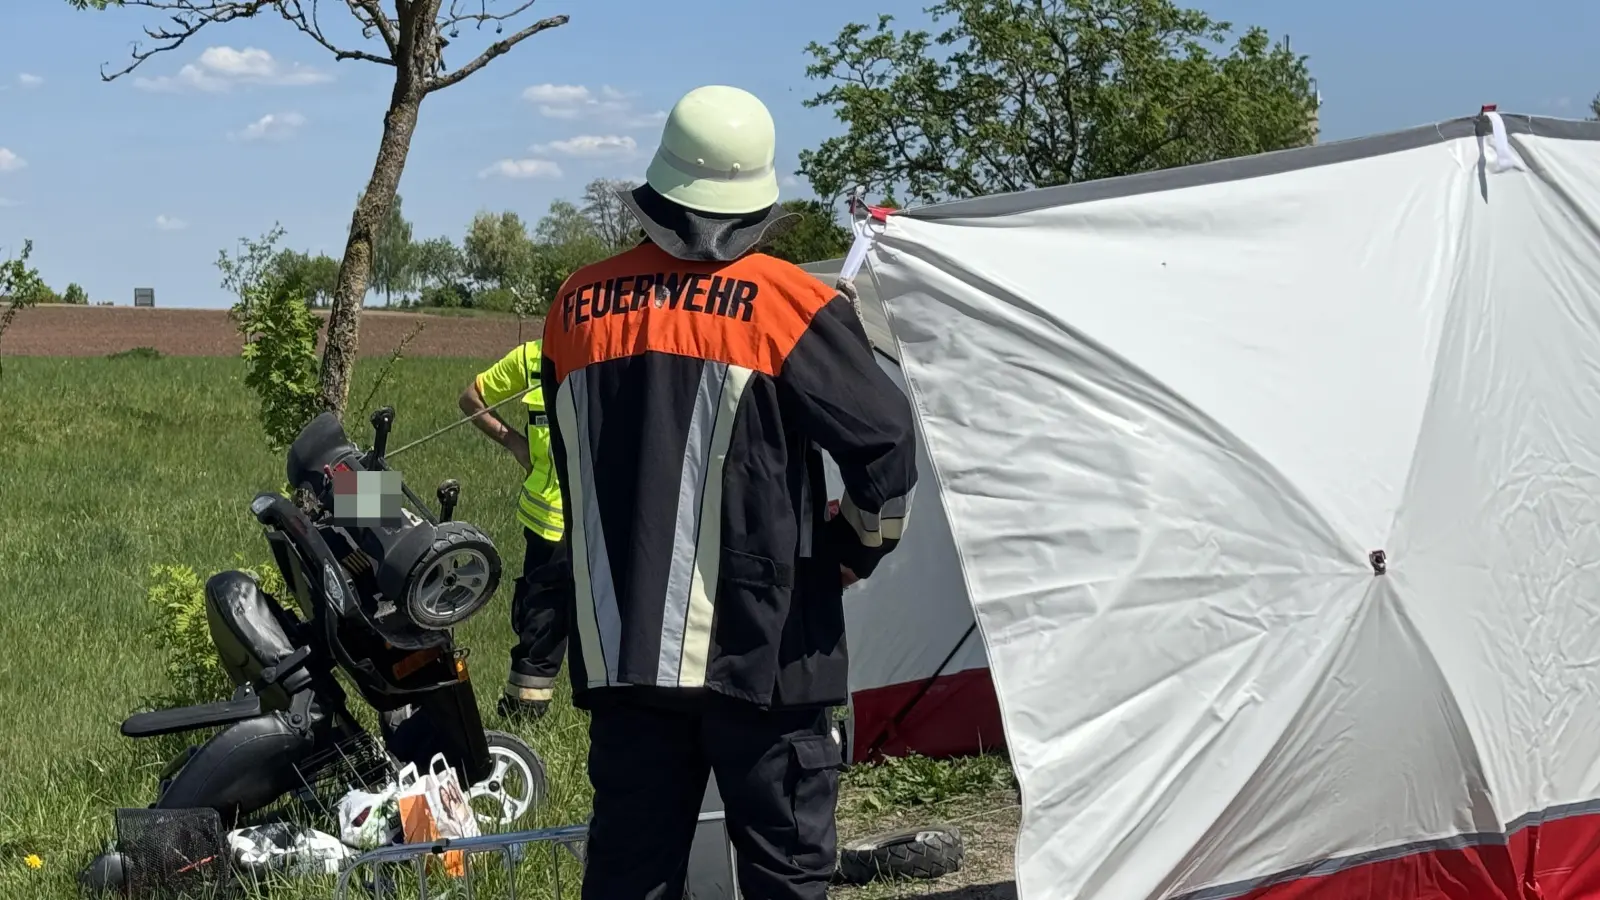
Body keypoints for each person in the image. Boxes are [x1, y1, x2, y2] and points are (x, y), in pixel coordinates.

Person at [534, 84, 920, 900]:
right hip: (769, 653)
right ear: (756, 203)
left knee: (630, 879)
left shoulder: (573, 307)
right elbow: (885, 453)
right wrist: (850, 551)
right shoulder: (793, 305)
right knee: (786, 878)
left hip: (624, 652)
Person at [459, 339, 567, 722]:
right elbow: (470, 398)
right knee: (538, 624)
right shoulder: (531, 357)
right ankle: (524, 719)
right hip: (546, 524)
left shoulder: (611, 353)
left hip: (600, 523)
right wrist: (513, 442)